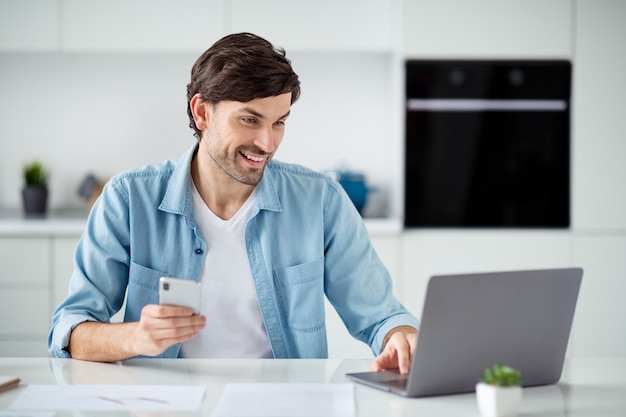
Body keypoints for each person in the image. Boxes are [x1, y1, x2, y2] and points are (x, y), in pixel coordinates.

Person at [48, 32, 419, 374]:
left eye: (279, 123)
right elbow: (70, 332)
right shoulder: (128, 199)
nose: (267, 143)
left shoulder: (320, 201)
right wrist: (135, 337)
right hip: (165, 406)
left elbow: (381, 316)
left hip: (284, 405)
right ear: (202, 112)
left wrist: (401, 337)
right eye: (249, 119)